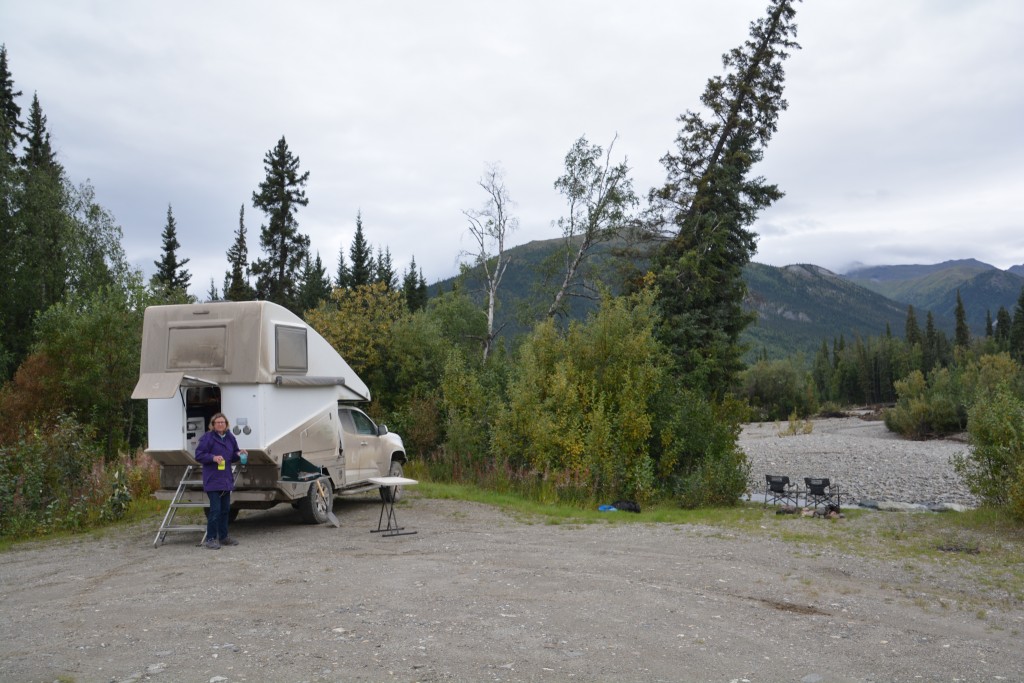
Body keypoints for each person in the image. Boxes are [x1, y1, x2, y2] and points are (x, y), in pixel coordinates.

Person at [194, 412, 247, 550]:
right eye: (217, 422)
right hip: (212, 479)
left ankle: (224, 537)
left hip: (226, 479)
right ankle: (210, 539)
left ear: (226, 424)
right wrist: (213, 458)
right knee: (215, 510)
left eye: (222, 422)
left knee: (225, 510)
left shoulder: (230, 437)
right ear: (213, 425)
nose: (220, 424)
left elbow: (233, 454)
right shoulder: (207, 437)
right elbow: (199, 455)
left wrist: (240, 453)